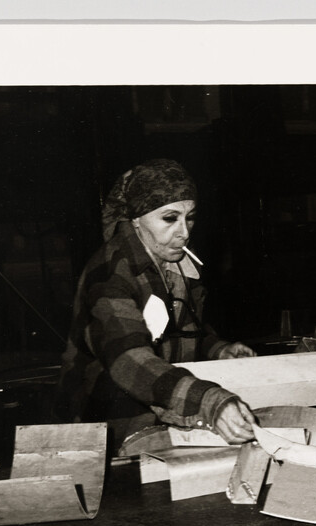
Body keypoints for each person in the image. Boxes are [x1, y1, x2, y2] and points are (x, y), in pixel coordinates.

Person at [54, 158, 257, 449]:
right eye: (170, 218)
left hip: (161, 403)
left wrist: (217, 348)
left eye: (190, 217)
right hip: (106, 422)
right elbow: (128, 359)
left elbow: (182, 330)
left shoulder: (178, 262)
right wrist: (207, 401)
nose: (184, 232)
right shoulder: (112, 272)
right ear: (136, 218)